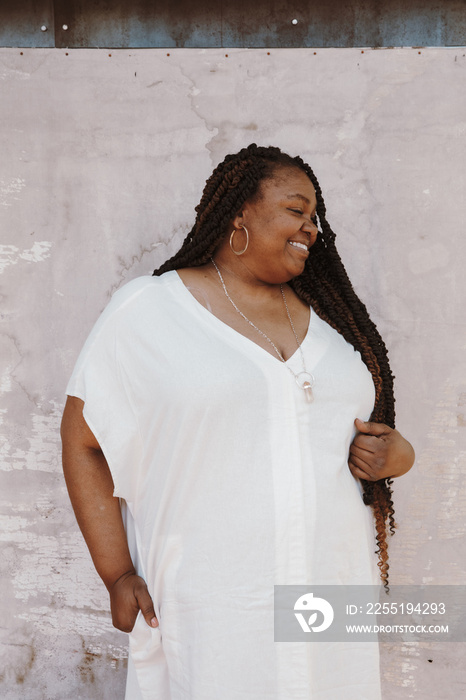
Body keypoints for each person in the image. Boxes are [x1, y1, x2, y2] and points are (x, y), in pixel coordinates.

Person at [61, 144, 414, 700]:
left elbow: (362, 439)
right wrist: (117, 573)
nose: (312, 228)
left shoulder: (333, 325)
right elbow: (84, 439)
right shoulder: (150, 310)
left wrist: (398, 456)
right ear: (238, 215)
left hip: (328, 599)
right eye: (296, 210)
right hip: (212, 605)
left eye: (316, 217)